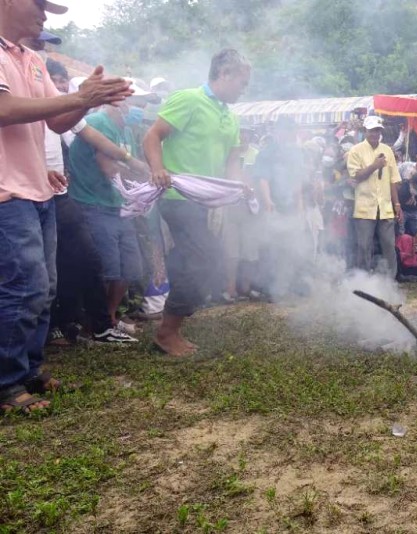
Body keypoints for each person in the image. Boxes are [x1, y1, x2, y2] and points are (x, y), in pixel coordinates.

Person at [0, 0, 133, 414]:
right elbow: (3, 110)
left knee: (44, 289)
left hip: (39, 189)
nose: (45, 13)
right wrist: (77, 96)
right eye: (37, 3)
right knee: (23, 288)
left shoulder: (33, 59)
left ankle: (29, 370)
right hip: (7, 191)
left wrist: (86, 100)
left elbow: (56, 122)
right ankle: (6, 385)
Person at [143, 48, 250, 357]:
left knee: (195, 261)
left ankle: (170, 325)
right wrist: (157, 169)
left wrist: (241, 186)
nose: (244, 90)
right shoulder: (188, 99)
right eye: (242, 83)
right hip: (177, 195)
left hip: (204, 202)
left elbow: (232, 163)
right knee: (206, 258)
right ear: (225, 74)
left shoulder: (230, 117)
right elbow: (152, 136)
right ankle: (167, 332)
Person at [69, 99, 149, 331]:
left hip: (118, 206)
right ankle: (96, 321)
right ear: (118, 103)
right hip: (93, 204)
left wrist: (147, 179)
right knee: (107, 268)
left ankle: (110, 316)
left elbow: (130, 168)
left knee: (130, 266)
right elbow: (108, 167)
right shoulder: (96, 122)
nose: (139, 108)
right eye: (135, 103)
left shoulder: (125, 130)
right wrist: (143, 178)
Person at [346, 115, 402, 277]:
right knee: (364, 246)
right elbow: (356, 176)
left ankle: (390, 281)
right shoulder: (355, 151)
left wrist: (397, 204)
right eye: (371, 130)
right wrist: (374, 166)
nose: (374, 134)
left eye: (377, 130)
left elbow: (393, 179)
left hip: (385, 206)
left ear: (380, 132)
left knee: (389, 245)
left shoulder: (387, 150)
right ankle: (363, 280)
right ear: (365, 131)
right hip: (364, 206)